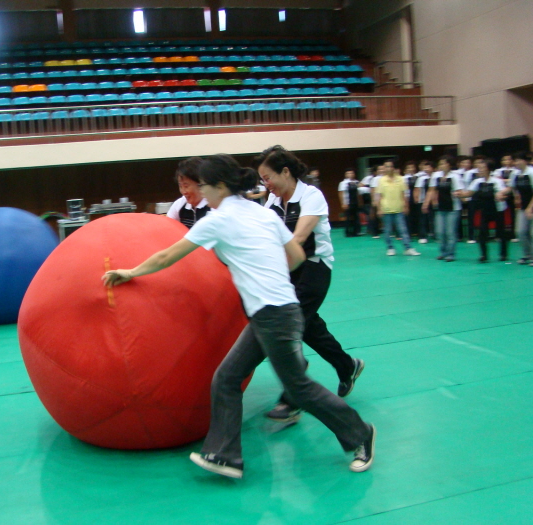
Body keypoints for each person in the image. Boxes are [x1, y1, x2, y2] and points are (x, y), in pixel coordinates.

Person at [102, 154, 376, 479]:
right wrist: (269, 274)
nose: (201, 193)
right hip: (273, 310)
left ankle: (361, 434)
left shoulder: (218, 220)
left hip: (273, 314)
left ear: (220, 186)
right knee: (227, 379)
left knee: (298, 388)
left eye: (203, 186)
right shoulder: (262, 213)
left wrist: (129, 271)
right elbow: (298, 255)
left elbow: (167, 255)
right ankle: (225, 455)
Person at [256, 146, 365, 425]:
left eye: (268, 178)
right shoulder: (272, 202)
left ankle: (292, 399)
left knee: (289, 326)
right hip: (290, 269)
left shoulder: (311, 196)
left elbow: (300, 237)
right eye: (262, 180)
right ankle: (346, 365)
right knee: (310, 326)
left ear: (285, 172)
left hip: (315, 267)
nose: (266, 185)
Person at [463, 158, 509, 263]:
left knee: (501, 233)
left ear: (488, 169)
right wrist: (459, 194)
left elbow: (503, 193)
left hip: (498, 209)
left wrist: (501, 196)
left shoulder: (496, 181)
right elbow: (469, 193)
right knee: (482, 234)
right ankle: (484, 255)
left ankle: (503, 254)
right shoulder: (477, 182)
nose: (480, 170)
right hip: (485, 210)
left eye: (482, 168)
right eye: (479, 168)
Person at [376, 159, 420, 256]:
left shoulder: (401, 179)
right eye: (386, 166)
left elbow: (404, 194)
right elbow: (379, 195)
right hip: (386, 209)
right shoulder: (381, 180)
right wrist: (379, 208)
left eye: (390, 166)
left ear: (393, 168)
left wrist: (406, 206)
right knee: (387, 231)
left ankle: (408, 248)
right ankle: (390, 248)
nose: (388, 168)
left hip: (399, 209)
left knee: (403, 230)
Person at [424, 156, 464, 261]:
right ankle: (443, 252)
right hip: (440, 208)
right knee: (440, 232)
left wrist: (457, 193)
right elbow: (431, 190)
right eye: (440, 163)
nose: (442, 165)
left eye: (444, 163)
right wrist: (426, 203)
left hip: (453, 208)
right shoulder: (436, 176)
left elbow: (460, 191)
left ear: (449, 165)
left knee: (450, 232)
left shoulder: (455, 176)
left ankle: (450, 254)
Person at [166, 157, 210, 229]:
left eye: (186, 186)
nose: (183, 191)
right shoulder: (179, 204)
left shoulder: (213, 206)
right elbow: (168, 227)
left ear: (201, 184)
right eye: (180, 186)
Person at [510, 152, 533, 266]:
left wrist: (530, 208)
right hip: (522, 207)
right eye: (515, 161)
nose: (516, 163)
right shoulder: (515, 174)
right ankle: (527, 254)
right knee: (520, 232)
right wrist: (516, 197)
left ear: (525, 161)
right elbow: (513, 187)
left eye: (518, 160)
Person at [414, 160, 434, 244]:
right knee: (422, 219)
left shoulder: (436, 177)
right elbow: (417, 189)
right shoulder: (421, 178)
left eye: (428, 167)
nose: (426, 169)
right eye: (425, 167)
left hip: (433, 202)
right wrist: (417, 199)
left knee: (432, 218)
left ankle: (433, 233)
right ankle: (422, 235)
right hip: (422, 201)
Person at [338, 168, 361, 237]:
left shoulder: (357, 182)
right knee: (347, 218)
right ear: (345, 175)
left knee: (356, 217)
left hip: (355, 202)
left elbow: (359, 193)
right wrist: (343, 203)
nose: (350, 175)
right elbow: (341, 193)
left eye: (352, 173)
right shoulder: (343, 183)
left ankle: (356, 231)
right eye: (348, 173)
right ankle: (347, 232)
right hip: (347, 202)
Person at [403, 161, 420, 237]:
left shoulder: (418, 177)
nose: (411, 169)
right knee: (408, 217)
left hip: (417, 199)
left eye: (412, 167)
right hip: (408, 199)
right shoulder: (404, 178)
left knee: (417, 216)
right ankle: (409, 233)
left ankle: (417, 232)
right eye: (409, 168)